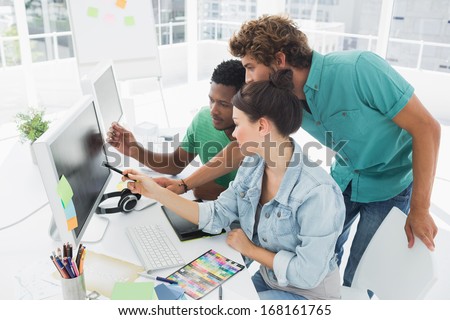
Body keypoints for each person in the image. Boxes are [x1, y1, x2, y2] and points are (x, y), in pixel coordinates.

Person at [155, 15, 441, 287]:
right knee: (322, 259)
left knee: (360, 274)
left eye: (251, 67)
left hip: (391, 183)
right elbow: (244, 146)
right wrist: (183, 184)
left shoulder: (358, 69)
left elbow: (427, 128)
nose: (248, 77)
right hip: (344, 177)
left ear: (279, 60)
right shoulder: (285, 96)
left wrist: (420, 208)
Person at [122, 69, 345, 300]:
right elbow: (217, 213)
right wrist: (156, 192)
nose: (234, 134)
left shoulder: (318, 193)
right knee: (180, 297)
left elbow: (307, 274)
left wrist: (250, 250)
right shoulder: (253, 164)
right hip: (271, 278)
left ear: (261, 127)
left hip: (308, 295)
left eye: (238, 124)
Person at [107, 59, 245, 200]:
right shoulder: (203, 119)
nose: (213, 111)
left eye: (223, 104)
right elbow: (176, 163)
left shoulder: (257, 138)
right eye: (211, 100)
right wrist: (135, 150)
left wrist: (210, 190)